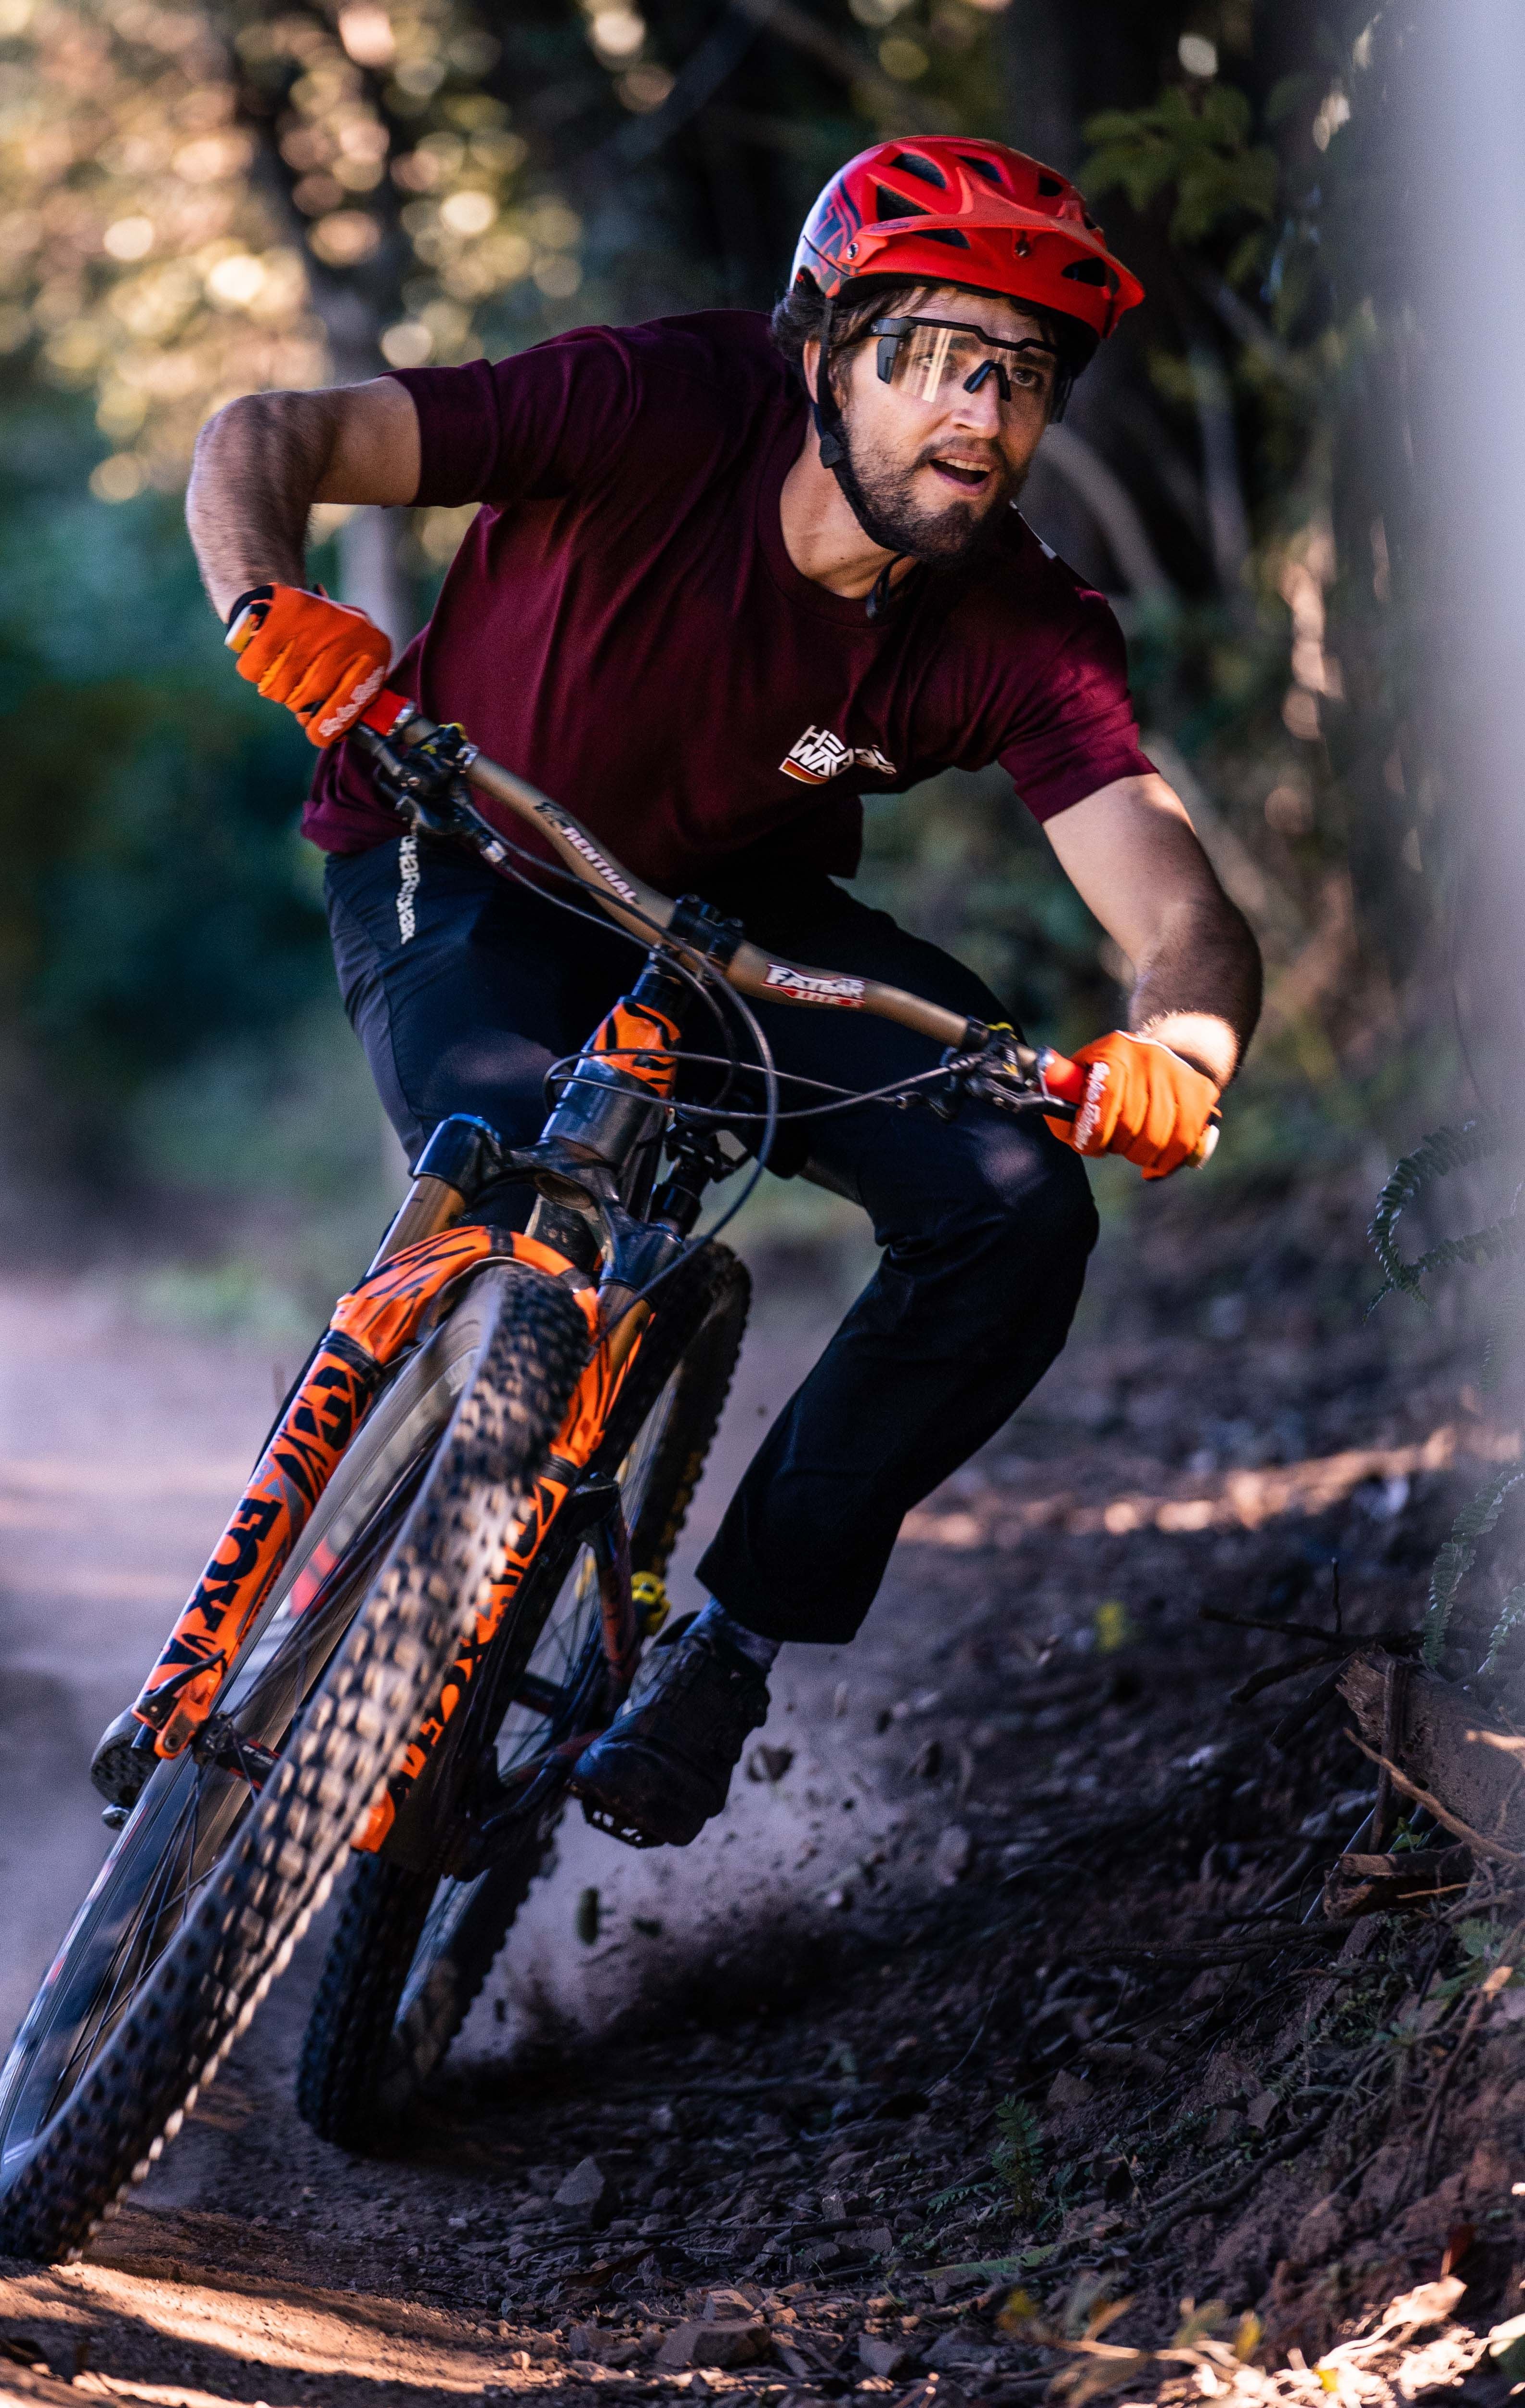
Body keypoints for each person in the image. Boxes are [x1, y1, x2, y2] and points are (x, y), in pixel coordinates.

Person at [182, 136, 1262, 1849]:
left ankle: (729, 1643)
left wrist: (1178, 1048)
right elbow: (271, 438)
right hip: (461, 838)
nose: (977, 415)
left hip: (727, 919)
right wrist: (270, 601)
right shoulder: (652, 405)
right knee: (519, 1128)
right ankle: (387, 1546)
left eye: (1024, 376)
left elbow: (1178, 904)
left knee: (1012, 1212)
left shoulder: (1018, 626)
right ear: (824, 346)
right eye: (931, 357)